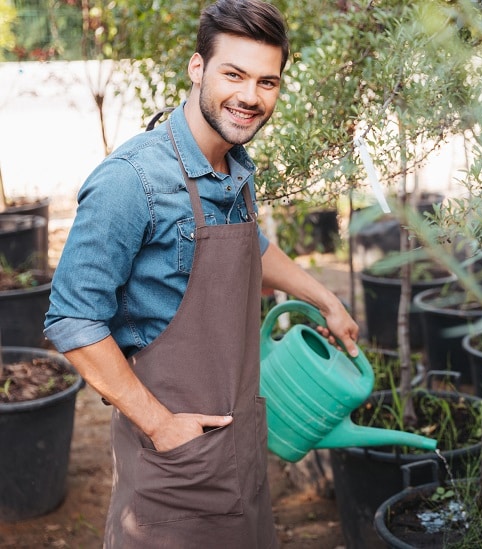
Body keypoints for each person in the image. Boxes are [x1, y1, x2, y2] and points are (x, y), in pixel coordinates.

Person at [44, 1, 358, 547]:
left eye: (268, 81)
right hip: (172, 471)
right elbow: (72, 319)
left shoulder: (233, 166)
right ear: (197, 68)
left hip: (239, 450)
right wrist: (161, 425)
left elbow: (251, 248)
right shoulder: (134, 179)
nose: (250, 97)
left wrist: (324, 297)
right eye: (233, 74)